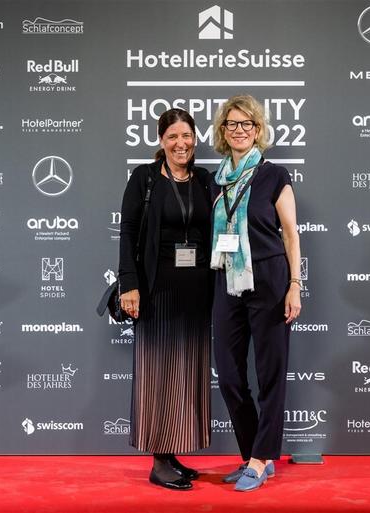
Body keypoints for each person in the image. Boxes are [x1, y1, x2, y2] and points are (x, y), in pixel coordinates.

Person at [209, 95, 302, 492]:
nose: (239, 130)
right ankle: (253, 454)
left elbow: (290, 234)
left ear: (258, 130)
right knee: (229, 376)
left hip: (269, 279)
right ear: (222, 131)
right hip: (226, 279)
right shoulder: (214, 180)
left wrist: (295, 284)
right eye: (232, 124)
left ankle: (262, 458)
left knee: (270, 374)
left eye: (247, 124)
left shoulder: (274, 175)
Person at [117, 108, 212, 491]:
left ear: (195, 139)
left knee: (186, 372)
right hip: (157, 290)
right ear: (161, 140)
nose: (180, 143)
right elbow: (127, 231)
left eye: (186, 135)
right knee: (158, 373)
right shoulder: (145, 178)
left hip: (198, 291)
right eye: (172, 136)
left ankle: (170, 453)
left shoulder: (204, 180)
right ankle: (158, 462)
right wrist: (129, 283)